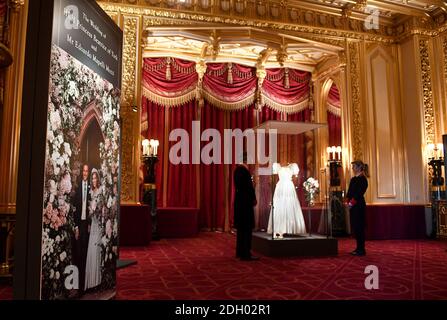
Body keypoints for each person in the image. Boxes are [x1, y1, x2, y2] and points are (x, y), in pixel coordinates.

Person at [267, 163, 306, 238]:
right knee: (280, 205)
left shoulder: (293, 166)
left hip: (288, 186)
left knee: (289, 204)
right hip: (281, 186)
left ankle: (289, 228)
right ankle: (279, 228)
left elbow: (296, 175)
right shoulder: (277, 166)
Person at [233, 155, 259, 261]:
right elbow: (248, 188)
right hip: (245, 204)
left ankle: (240, 252)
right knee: (246, 230)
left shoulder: (236, 171)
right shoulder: (244, 171)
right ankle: (246, 254)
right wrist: (253, 198)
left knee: (241, 230)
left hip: (240, 202)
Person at [73, 164, 91, 293]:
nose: (85, 173)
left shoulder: (91, 187)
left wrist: (90, 223)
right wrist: (75, 227)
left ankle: (84, 284)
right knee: (78, 253)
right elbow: (74, 210)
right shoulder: (77, 187)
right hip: (79, 224)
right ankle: (78, 285)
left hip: (87, 225)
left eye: (86, 171)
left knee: (86, 253)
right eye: (83, 171)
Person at [85, 168, 103, 290]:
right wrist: (91, 212)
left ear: (98, 179)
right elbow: (89, 208)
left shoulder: (101, 190)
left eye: (96, 178)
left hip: (99, 223)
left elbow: (102, 207)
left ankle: (98, 280)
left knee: (97, 249)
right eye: (93, 178)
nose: (94, 180)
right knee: (91, 248)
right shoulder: (90, 191)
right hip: (93, 223)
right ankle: (91, 282)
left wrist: (96, 211)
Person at [346, 160, 369, 256]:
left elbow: (359, 194)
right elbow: (350, 192)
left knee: (360, 227)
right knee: (355, 227)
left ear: (359, 167)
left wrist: (351, 203)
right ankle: (358, 248)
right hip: (353, 206)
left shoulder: (363, 179)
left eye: (354, 166)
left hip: (359, 206)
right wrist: (347, 202)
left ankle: (361, 249)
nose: (352, 168)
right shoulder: (353, 179)